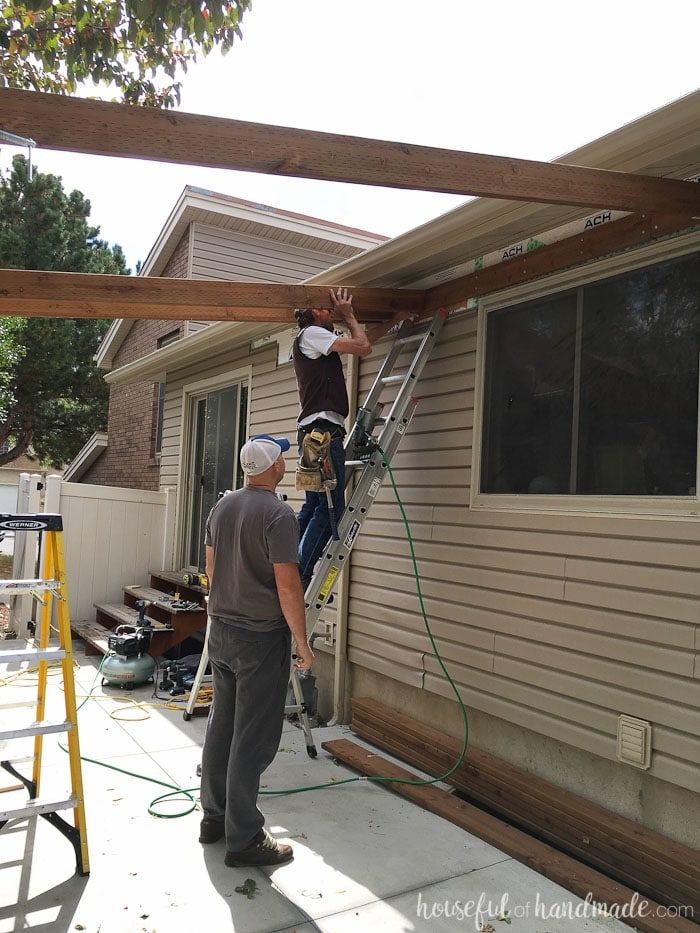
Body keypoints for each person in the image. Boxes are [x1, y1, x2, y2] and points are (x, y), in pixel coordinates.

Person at [198, 434, 314, 867]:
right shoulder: (279, 514)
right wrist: (301, 643)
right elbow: (287, 585)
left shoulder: (223, 506)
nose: (286, 460)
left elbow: (210, 568)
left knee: (222, 725)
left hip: (222, 631)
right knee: (253, 737)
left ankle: (214, 817)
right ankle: (244, 837)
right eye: (282, 456)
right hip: (260, 638)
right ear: (273, 467)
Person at [293, 287, 413, 589]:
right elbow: (363, 347)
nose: (332, 311)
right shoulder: (311, 334)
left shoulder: (318, 339)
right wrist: (349, 315)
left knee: (313, 506)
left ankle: (289, 566)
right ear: (314, 312)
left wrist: (396, 320)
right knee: (328, 508)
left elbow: (363, 341)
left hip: (313, 435)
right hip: (322, 435)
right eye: (327, 308)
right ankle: (301, 575)